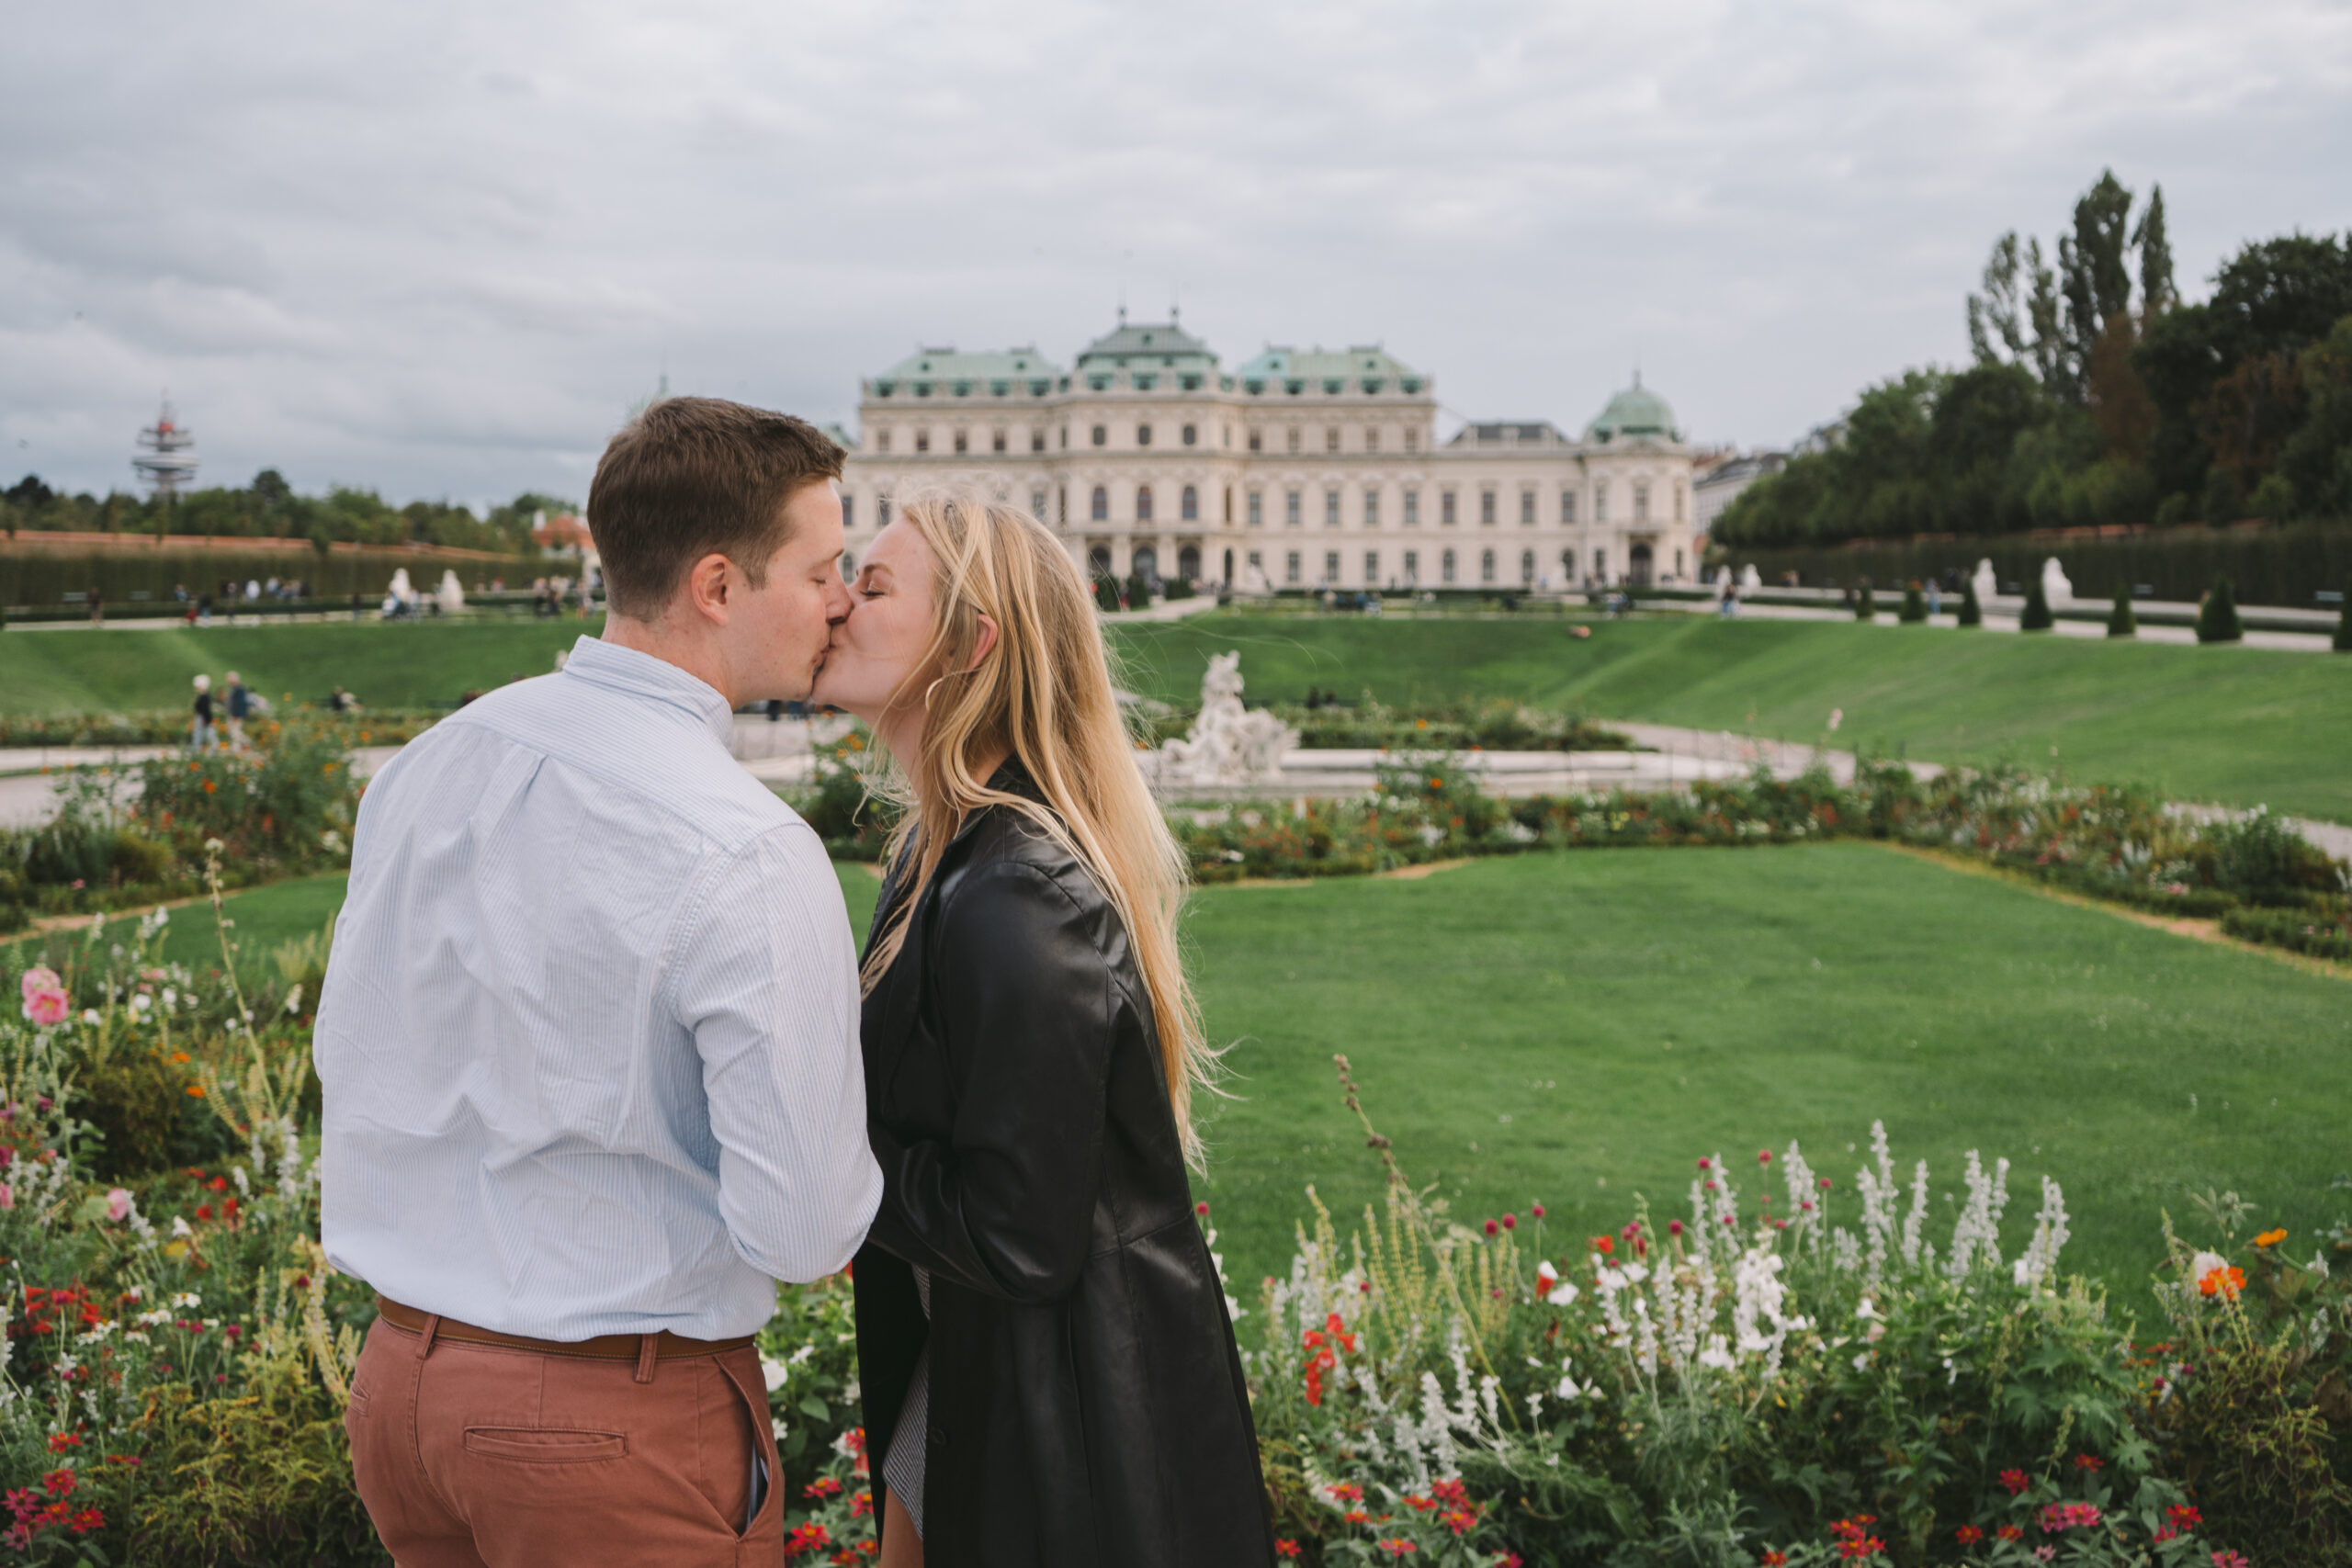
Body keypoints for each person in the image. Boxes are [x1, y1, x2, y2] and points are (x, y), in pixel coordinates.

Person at [317, 397, 878, 1566]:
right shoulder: (746, 845)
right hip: (604, 1424)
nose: (843, 599)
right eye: (825, 569)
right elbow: (802, 1229)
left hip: (400, 1393)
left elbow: (358, 1059)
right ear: (718, 587)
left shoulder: (426, 767)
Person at [814, 493, 1273, 1568]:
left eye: (874, 586)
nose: (837, 603)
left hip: (1058, 1430)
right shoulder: (946, 854)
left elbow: (1020, 1236)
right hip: (987, 1385)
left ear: (971, 648)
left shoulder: (1014, 890)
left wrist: (823, 1147)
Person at [223, 671, 250, 750]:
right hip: (232, 714)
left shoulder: (239, 689)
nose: (227, 680)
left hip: (236, 715)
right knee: (233, 731)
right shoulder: (233, 689)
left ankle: (236, 749)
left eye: (229, 678)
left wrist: (237, 715)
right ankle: (246, 743)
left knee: (235, 732)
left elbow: (240, 704)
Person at [189, 674, 214, 752]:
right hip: (202, 717)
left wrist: (207, 720)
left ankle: (210, 749)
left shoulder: (205, 696)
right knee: (199, 734)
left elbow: (205, 709)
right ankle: (197, 749)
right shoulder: (203, 695)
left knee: (204, 735)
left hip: (202, 718)